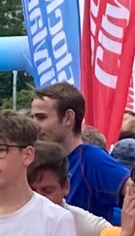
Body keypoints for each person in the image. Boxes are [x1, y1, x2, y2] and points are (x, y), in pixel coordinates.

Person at [30, 82, 127, 223]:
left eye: (41, 117)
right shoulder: (35, 160)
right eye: (32, 117)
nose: (34, 124)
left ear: (68, 118)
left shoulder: (91, 159)